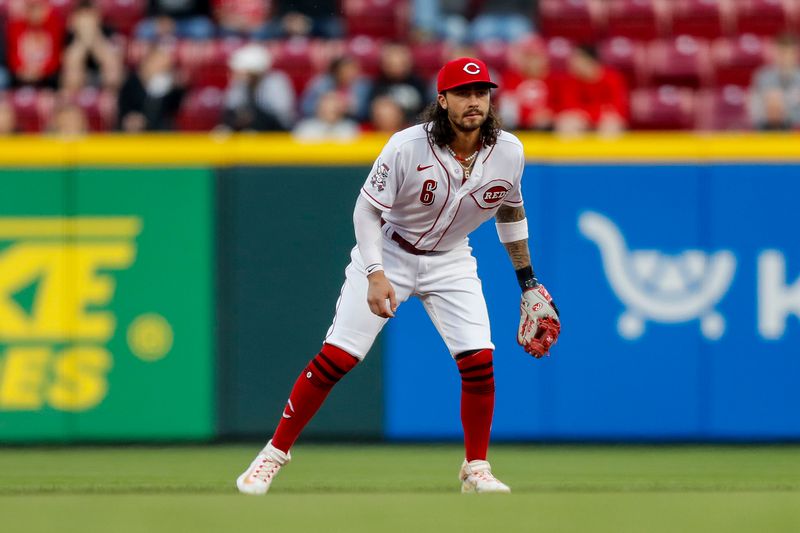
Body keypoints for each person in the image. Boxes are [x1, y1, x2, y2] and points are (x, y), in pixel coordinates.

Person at [236, 57, 561, 496]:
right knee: (339, 357)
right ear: (442, 100)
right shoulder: (409, 146)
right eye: (463, 93)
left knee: (479, 363)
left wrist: (527, 281)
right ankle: (272, 454)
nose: (474, 101)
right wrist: (374, 272)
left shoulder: (509, 151)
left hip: (451, 259)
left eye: (481, 92)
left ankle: (476, 468)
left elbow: (510, 209)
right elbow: (367, 209)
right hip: (390, 250)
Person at [553, 45, 628, 138]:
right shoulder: (570, 80)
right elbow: (569, 106)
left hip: (603, 121)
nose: (570, 63)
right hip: (583, 121)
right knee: (566, 122)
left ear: (589, 61)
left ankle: (606, 152)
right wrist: (597, 112)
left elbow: (620, 109)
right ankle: (575, 153)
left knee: (611, 124)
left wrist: (588, 113)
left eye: (575, 59)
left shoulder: (613, 78)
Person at [221, 44, 295, 132]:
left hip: (274, 129)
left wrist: (252, 115)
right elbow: (231, 107)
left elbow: (281, 114)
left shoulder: (276, 82)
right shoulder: (240, 83)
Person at [60, 0, 124, 98]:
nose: (87, 21)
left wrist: (95, 38)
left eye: (89, 15)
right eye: (83, 16)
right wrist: (82, 41)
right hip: (80, 80)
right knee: (71, 75)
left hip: (102, 78)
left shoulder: (109, 31)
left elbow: (112, 63)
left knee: (113, 74)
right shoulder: (68, 35)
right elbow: (69, 62)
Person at [117, 43, 185, 132]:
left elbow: (171, 110)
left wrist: (178, 87)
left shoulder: (169, 88)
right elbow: (124, 110)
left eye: (165, 68)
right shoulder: (131, 84)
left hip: (159, 132)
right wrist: (131, 119)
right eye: (159, 65)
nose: (162, 70)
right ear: (147, 63)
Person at [5, 0, 65, 89]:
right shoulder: (15, 27)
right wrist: (22, 70)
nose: (35, 13)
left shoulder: (54, 26)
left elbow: (56, 55)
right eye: (31, 9)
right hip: (22, 75)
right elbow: (13, 54)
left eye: (39, 8)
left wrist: (41, 71)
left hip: (48, 76)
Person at [749, 33, 800, 130]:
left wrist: (784, 109)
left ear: (796, 54)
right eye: (782, 53)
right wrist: (769, 111)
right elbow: (753, 109)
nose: (785, 57)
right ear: (775, 52)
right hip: (765, 131)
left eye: (789, 53)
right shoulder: (762, 76)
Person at [292, 90, 359, 141]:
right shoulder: (305, 128)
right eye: (327, 104)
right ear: (319, 108)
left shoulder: (350, 129)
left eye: (335, 104)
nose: (332, 107)